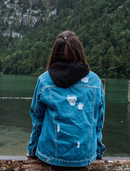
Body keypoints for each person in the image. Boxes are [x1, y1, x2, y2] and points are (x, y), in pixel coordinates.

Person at [27, 30, 106, 167]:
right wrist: (98, 151)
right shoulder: (95, 81)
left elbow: (38, 120)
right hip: (84, 155)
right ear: (79, 51)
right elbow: (98, 122)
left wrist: (32, 150)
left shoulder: (44, 80)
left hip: (50, 155)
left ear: (54, 53)